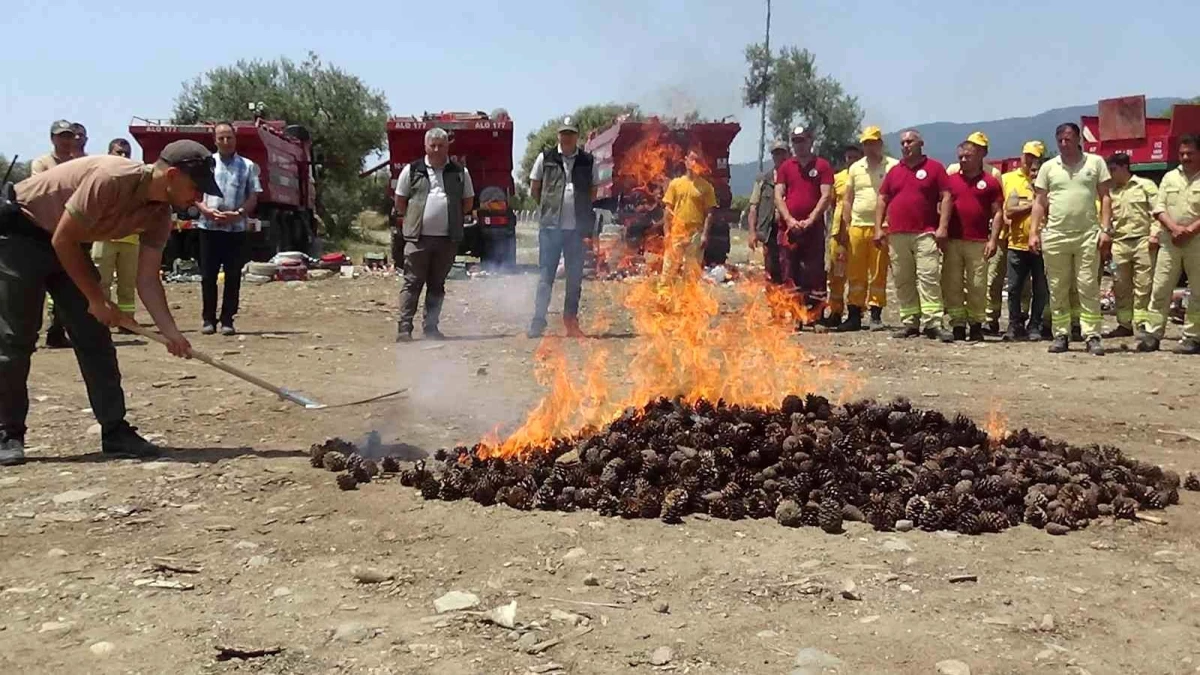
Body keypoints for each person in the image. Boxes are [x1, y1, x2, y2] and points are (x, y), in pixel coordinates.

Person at [0, 140, 215, 466]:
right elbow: (63, 238)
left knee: (95, 338)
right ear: (171, 175)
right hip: (21, 233)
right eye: (195, 188)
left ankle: (115, 431)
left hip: (69, 243)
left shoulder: (159, 213)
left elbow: (147, 278)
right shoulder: (113, 178)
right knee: (17, 340)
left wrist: (171, 333)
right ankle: (8, 433)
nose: (198, 198)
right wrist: (97, 299)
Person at [1029, 122, 1112, 356]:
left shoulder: (1095, 163)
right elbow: (1039, 202)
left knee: (1087, 285)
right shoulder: (1048, 168)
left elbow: (1105, 197)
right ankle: (1061, 334)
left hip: (1087, 234)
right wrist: (1034, 232)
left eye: (1068, 139)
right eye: (1060, 140)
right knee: (1057, 287)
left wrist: (1106, 229)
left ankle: (1092, 335)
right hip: (1056, 236)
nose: (1064, 144)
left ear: (1078, 140)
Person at [395, 127, 475, 342]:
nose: (437, 149)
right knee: (412, 283)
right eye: (433, 145)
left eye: (441, 145)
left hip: (447, 240)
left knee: (437, 285)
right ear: (426, 147)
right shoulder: (412, 171)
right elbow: (400, 202)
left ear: (448, 146)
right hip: (417, 239)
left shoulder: (459, 172)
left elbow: (468, 202)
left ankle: (431, 328)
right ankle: (404, 329)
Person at [875, 129, 953, 341]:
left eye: (910, 141)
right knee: (903, 279)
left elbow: (946, 197)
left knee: (928, 277)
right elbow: (882, 198)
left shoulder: (935, 168)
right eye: (903, 143)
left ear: (921, 143)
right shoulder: (894, 171)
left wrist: (943, 227)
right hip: (897, 234)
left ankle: (933, 323)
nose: (906, 146)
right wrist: (878, 228)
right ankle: (910, 321)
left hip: (925, 233)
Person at [528, 117, 597, 338]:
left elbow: (593, 191)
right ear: (558, 135)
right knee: (546, 277)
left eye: (571, 133)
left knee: (574, 278)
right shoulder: (545, 158)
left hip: (577, 231)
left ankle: (571, 323)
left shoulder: (588, 161)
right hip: (550, 229)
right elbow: (535, 188)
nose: (566, 137)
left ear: (577, 136)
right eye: (563, 133)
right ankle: (538, 323)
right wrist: (549, 209)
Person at [194, 122, 261, 336]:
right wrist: (205, 210)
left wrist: (239, 214)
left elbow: (253, 195)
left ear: (235, 139)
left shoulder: (248, 166)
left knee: (233, 276)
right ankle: (208, 319)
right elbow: (194, 192)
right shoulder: (206, 164)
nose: (225, 141)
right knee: (208, 276)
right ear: (214, 140)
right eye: (221, 138)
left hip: (236, 230)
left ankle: (227, 320)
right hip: (208, 228)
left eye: (229, 137)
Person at [1140, 135, 1200, 354]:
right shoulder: (1169, 178)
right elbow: (1159, 208)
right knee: (1160, 288)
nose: (1185, 157)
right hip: (1170, 240)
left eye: (1190, 153)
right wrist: (1174, 229)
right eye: (1182, 153)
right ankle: (1152, 334)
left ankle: (1193, 337)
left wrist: (1190, 230)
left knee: (1198, 292)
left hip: (1197, 242)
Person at [941, 140, 1004, 342]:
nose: (963, 160)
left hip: (978, 242)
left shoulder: (990, 182)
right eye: (960, 157)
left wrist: (993, 240)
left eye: (968, 156)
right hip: (953, 241)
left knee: (977, 284)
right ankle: (958, 324)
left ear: (978, 156)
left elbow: (998, 214)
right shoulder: (950, 181)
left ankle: (976, 324)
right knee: (953, 284)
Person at [837, 126, 898, 332]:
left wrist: (887, 224)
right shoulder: (855, 168)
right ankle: (854, 314)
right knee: (855, 272)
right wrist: (846, 225)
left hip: (882, 228)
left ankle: (875, 315)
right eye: (866, 144)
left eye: (873, 143)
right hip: (857, 226)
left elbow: (896, 198)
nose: (869, 147)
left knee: (878, 273)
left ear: (880, 144)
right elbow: (847, 200)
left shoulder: (893, 166)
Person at [774, 126, 833, 330]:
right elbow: (778, 195)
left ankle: (815, 316)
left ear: (810, 141)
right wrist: (789, 220)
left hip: (813, 229)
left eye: (802, 140)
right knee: (789, 271)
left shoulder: (823, 166)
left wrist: (810, 219)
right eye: (795, 141)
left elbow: (826, 195)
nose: (799, 144)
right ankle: (796, 315)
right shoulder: (786, 167)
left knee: (814, 271)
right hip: (789, 229)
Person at [31, 120, 80, 349]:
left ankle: (58, 330)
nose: (66, 140)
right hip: (44, 231)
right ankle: (31, 333)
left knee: (71, 282)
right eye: (62, 136)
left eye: (69, 135)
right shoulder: (41, 163)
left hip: (72, 230)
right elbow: (40, 190)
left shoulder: (79, 163)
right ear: (53, 139)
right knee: (38, 285)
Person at [1104, 152, 1158, 338]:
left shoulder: (1145, 186)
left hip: (1143, 241)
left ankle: (1141, 324)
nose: (1111, 174)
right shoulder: (1111, 193)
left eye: (1113, 170)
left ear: (1124, 167)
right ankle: (1124, 324)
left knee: (1143, 285)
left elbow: (1157, 212)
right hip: (1119, 243)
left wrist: (1154, 235)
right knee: (1120, 286)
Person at [1000, 142, 1050, 341]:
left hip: (1042, 246)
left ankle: (1035, 325)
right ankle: (1014, 324)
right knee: (1014, 288)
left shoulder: (1050, 188)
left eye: (1037, 164)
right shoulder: (1015, 183)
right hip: (1017, 244)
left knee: (1040, 288)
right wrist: (1034, 204)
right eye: (1028, 158)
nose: (1032, 167)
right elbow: (1009, 211)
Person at [91, 139, 141, 332]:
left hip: (130, 240)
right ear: (109, 153)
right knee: (102, 283)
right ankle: (101, 321)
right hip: (104, 238)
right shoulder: (102, 177)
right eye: (118, 152)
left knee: (127, 285)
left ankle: (126, 321)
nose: (123, 157)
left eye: (126, 153)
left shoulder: (137, 178)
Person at [825, 143, 865, 328]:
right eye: (848, 157)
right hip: (838, 233)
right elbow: (832, 203)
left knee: (857, 274)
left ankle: (855, 313)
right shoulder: (837, 178)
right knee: (836, 274)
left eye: (854, 157)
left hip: (858, 230)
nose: (850, 161)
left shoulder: (866, 177)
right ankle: (835, 311)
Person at [662, 149, 718, 277]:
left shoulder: (706, 187)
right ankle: (664, 295)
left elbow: (710, 213)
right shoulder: (675, 184)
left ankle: (688, 297)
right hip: (677, 231)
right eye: (691, 159)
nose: (694, 163)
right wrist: (667, 232)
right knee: (669, 269)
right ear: (685, 160)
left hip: (695, 234)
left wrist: (704, 235)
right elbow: (668, 209)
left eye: (697, 160)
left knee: (692, 273)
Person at [748, 141, 789, 284]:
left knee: (788, 266)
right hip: (769, 231)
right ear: (772, 156)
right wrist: (752, 232)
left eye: (782, 153)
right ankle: (773, 300)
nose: (779, 156)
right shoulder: (764, 180)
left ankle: (788, 299)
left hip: (788, 230)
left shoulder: (794, 178)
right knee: (771, 267)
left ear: (788, 155)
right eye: (776, 153)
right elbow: (753, 207)